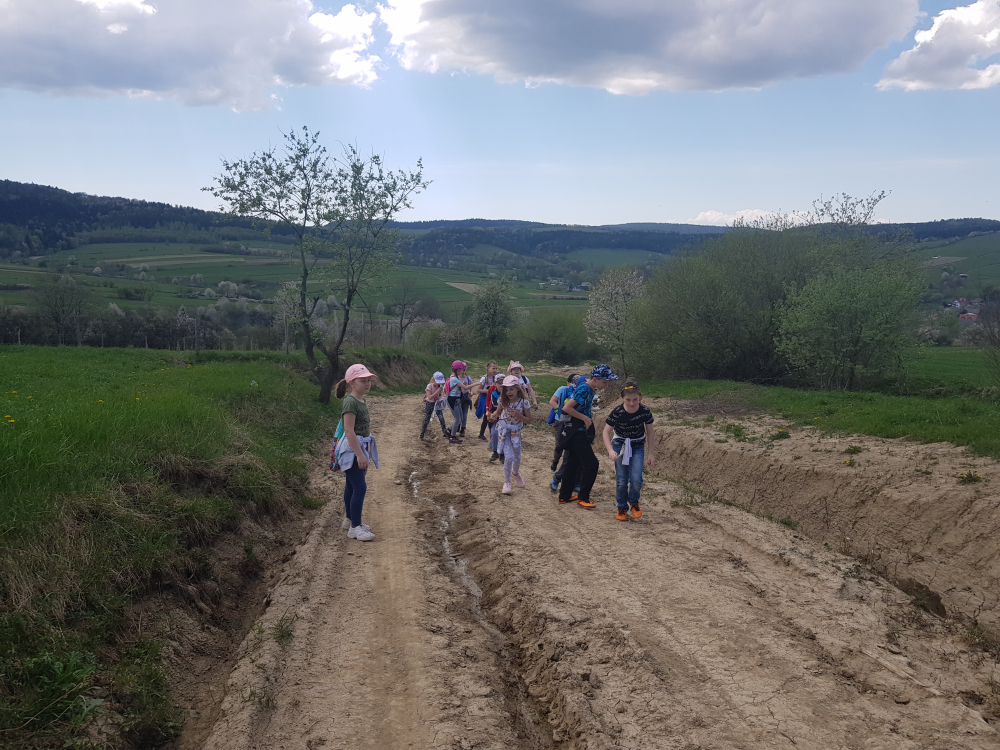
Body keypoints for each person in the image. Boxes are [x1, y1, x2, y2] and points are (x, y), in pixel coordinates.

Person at [558, 364, 618, 509]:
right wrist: (585, 418)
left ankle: (564, 495)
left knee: (573, 462)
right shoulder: (585, 389)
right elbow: (567, 407)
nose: (605, 385)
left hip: (575, 430)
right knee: (592, 464)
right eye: (604, 382)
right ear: (595, 379)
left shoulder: (588, 388)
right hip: (577, 431)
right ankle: (583, 498)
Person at [334, 364, 380, 541]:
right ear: (352, 383)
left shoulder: (360, 400)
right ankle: (355, 527)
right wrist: (359, 454)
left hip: (358, 447)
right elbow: (349, 430)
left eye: (369, 380)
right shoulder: (350, 402)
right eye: (363, 380)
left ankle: (350, 520)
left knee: (351, 486)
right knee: (360, 487)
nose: (367, 383)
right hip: (352, 450)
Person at [602, 380, 655, 521]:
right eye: (628, 400)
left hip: (637, 446)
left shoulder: (645, 411)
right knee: (622, 479)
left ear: (640, 396)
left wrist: (650, 453)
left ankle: (634, 502)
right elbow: (605, 432)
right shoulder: (617, 412)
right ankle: (621, 507)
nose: (632, 403)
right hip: (620, 445)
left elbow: (650, 432)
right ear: (622, 398)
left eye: (635, 400)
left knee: (636, 479)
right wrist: (610, 450)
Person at [495, 375, 532, 494]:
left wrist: (519, 416)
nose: (508, 392)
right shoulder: (503, 401)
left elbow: (529, 420)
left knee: (517, 457)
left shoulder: (524, 403)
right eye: (506, 390)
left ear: (517, 388)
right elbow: (497, 412)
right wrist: (492, 416)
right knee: (509, 457)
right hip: (504, 431)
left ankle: (515, 473)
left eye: (511, 389)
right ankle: (507, 482)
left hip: (515, 432)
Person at [548, 374, 580, 492]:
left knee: (570, 452)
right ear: (568, 383)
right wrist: (559, 410)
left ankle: (573, 480)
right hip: (560, 421)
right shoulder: (562, 389)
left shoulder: (580, 392)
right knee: (559, 445)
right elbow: (552, 401)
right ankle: (555, 462)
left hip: (574, 423)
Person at [446, 360, 475, 444]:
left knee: (461, 418)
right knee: (457, 419)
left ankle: (448, 430)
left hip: (457, 399)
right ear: (457, 370)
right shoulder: (454, 379)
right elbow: (465, 387)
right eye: (462, 369)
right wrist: (476, 384)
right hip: (453, 400)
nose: (463, 371)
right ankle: (452, 437)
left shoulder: (454, 377)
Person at [420, 371, 448, 440]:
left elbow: (439, 395)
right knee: (427, 419)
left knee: (441, 418)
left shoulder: (440, 387)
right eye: (438, 382)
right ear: (434, 380)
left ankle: (445, 432)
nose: (439, 384)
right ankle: (422, 434)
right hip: (430, 404)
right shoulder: (430, 386)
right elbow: (429, 397)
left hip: (437, 405)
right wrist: (438, 391)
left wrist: (440, 399)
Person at [476, 360, 499, 441]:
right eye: (493, 368)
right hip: (485, 400)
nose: (495, 370)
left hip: (493, 399)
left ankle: (484, 434)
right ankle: (488, 435)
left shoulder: (496, 378)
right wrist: (487, 391)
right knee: (487, 416)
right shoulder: (484, 378)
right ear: (488, 368)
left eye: (496, 368)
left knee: (489, 417)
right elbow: (478, 389)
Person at [485, 372, 504, 462]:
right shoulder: (493, 394)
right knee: (494, 434)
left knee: (504, 436)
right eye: (499, 383)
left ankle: (502, 454)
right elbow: (495, 407)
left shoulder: (510, 394)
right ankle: (495, 452)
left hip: (507, 420)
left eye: (503, 383)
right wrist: (490, 416)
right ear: (495, 384)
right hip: (496, 419)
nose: (501, 385)